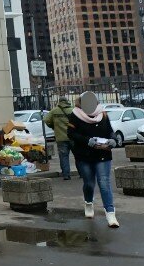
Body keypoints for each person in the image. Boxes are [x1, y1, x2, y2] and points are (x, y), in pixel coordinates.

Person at [67, 91, 120, 228]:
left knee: (104, 182)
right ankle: (88, 203)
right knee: (89, 183)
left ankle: (110, 214)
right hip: (84, 155)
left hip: (103, 154)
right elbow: (71, 133)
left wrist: (113, 140)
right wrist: (87, 140)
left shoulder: (103, 114)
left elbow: (110, 131)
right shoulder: (75, 115)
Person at [43, 98, 74, 180]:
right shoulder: (73, 110)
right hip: (73, 137)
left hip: (61, 137)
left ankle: (66, 175)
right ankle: (82, 173)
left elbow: (46, 120)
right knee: (78, 156)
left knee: (63, 156)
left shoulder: (54, 111)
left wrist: (53, 126)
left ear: (59, 102)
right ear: (67, 102)